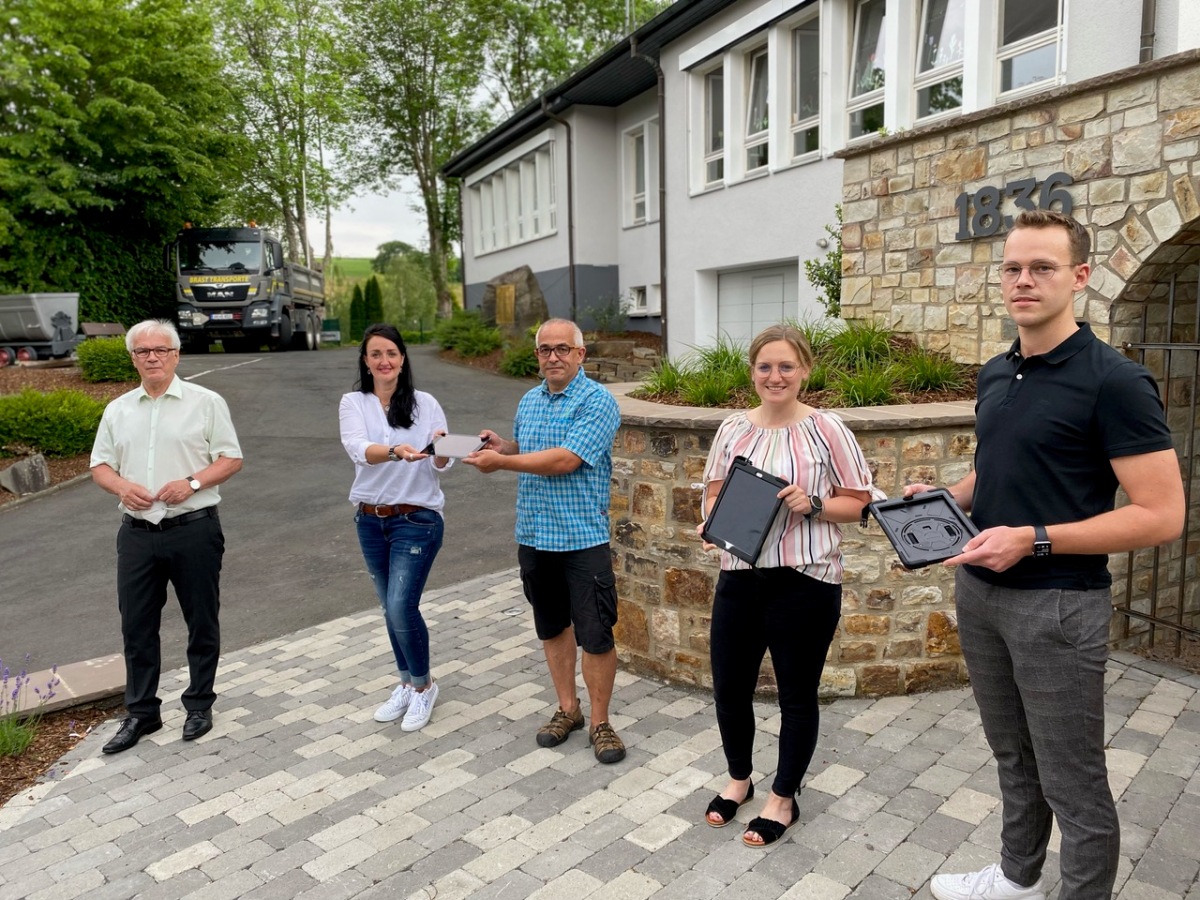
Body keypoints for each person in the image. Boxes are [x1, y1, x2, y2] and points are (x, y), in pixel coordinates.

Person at [908, 210, 1184, 900]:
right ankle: (1016, 877)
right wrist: (946, 497)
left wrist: (1033, 539)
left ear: (1080, 277)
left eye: (1042, 268)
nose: (1023, 281)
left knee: (1074, 779)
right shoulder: (998, 372)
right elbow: (998, 469)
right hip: (981, 593)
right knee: (1013, 756)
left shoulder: (1113, 381)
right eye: (1012, 268)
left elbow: (1162, 514)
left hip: (1058, 604)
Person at [696, 323, 877, 847]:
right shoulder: (733, 428)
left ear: (805, 371)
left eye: (786, 366)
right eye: (765, 367)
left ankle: (783, 797)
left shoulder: (827, 429)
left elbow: (859, 501)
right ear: (752, 371)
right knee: (730, 689)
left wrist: (815, 504)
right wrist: (711, 527)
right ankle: (739, 780)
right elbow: (712, 493)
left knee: (796, 696)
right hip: (740, 576)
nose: (775, 376)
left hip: (805, 580)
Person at [463, 318, 625, 764]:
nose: (552, 357)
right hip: (535, 536)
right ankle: (567, 710)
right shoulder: (530, 400)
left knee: (595, 634)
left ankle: (601, 722)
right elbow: (531, 447)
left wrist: (500, 464)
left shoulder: (598, 401)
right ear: (536, 356)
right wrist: (506, 446)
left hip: (581, 538)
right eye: (544, 350)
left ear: (580, 354)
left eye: (561, 349)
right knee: (552, 628)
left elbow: (565, 460)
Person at [90, 320, 243, 753]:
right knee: (136, 626)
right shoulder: (118, 409)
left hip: (193, 529)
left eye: (161, 349)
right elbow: (100, 465)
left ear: (176, 355)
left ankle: (198, 704)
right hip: (136, 535)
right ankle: (142, 713)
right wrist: (121, 487)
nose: (152, 357)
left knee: (201, 618)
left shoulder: (206, 402)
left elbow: (231, 458)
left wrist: (192, 483)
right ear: (133, 358)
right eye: (143, 352)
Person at [339, 323, 452, 732]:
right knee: (390, 607)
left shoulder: (425, 404)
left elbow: (443, 463)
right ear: (366, 362)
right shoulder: (354, 403)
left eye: (391, 353)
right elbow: (357, 449)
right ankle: (405, 682)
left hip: (417, 519)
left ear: (403, 359)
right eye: (376, 355)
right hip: (370, 520)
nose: (384, 361)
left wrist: (440, 448)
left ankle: (423, 688)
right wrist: (393, 451)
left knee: (402, 604)